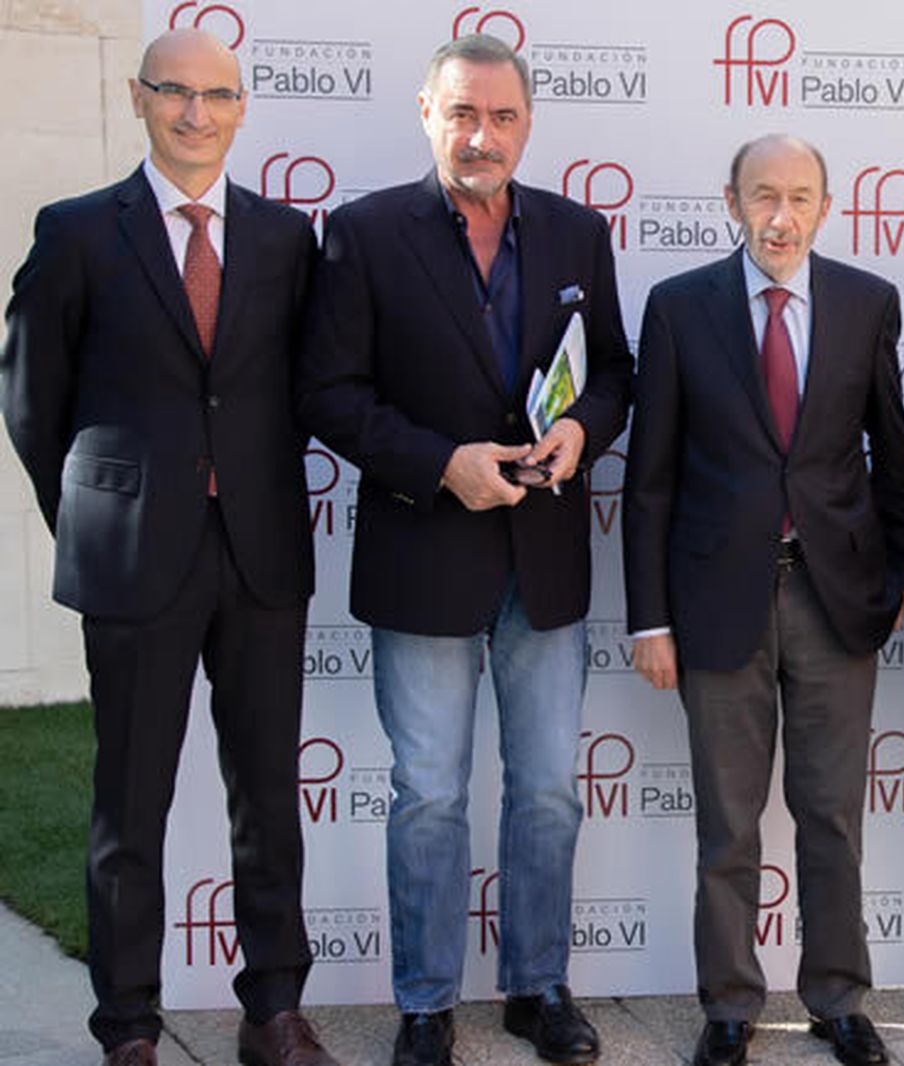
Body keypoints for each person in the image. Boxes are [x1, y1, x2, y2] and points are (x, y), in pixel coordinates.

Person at [0, 28, 334, 1066]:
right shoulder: (77, 232)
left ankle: (273, 1011)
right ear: (138, 97)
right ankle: (130, 1027)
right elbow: (31, 399)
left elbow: (308, 387)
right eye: (175, 91)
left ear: (241, 108)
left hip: (260, 554)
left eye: (216, 94)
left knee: (268, 799)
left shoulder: (286, 238)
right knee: (131, 803)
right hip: (135, 560)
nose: (196, 112)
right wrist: (97, 518)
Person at [296, 34, 631, 1066]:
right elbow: (329, 393)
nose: (482, 135)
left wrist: (582, 430)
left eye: (502, 117)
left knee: (548, 788)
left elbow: (613, 372)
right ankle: (426, 1002)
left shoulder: (577, 232)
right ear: (427, 114)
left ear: (527, 125)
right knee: (430, 793)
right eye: (462, 114)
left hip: (545, 559)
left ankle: (538, 987)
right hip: (425, 553)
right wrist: (441, 463)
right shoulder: (362, 233)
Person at [622, 133, 904, 1066]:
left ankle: (837, 997)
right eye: (763, 195)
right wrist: (650, 617)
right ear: (732, 201)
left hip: (835, 600)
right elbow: (651, 479)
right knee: (728, 822)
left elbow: (892, 453)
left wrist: (900, 580)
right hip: (717, 604)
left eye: (799, 197)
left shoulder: (868, 302)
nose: (780, 216)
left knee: (833, 815)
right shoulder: (679, 308)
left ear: (826, 208)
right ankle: (728, 1005)